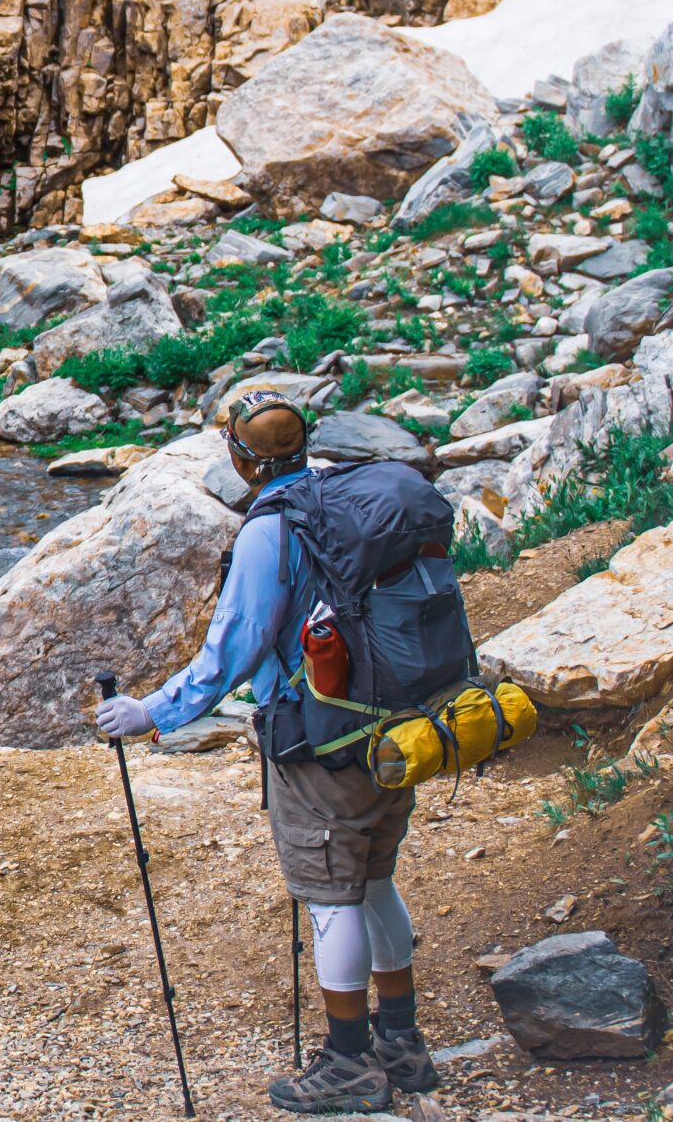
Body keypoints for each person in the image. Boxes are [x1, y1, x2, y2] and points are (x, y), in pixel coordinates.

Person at [90, 391, 434, 1115]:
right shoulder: (346, 491)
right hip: (400, 729)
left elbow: (232, 651)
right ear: (305, 446)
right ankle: (402, 1042)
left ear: (244, 460)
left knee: (331, 897)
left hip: (321, 740)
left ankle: (349, 1063)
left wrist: (152, 709)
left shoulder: (268, 531)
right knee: (375, 882)